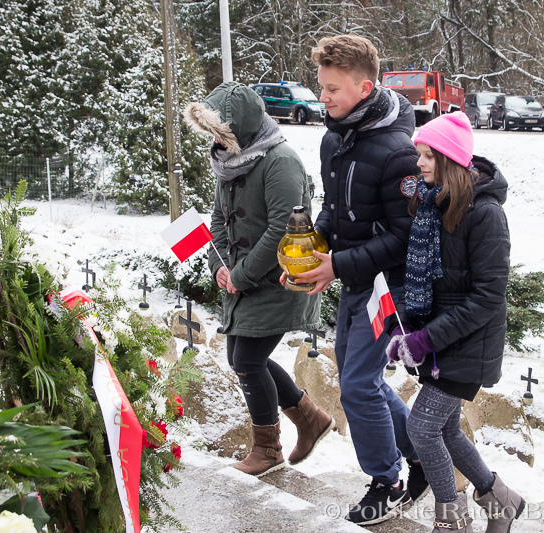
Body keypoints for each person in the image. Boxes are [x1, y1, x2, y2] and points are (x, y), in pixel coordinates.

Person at [291, 35, 429, 525]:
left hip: (388, 290)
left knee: (355, 386)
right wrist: (315, 249)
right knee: (361, 382)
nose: (322, 97)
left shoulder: (398, 152)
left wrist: (338, 265)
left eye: (332, 89)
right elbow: (335, 209)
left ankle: (386, 482)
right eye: (321, 87)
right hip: (354, 282)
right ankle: (423, 458)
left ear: (364, 88)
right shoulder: (334, 138)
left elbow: (404, 238)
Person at [183, 82, 335, 478]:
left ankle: (268, 450)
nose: (216, 141)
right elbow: (219, 220)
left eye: (220, 131)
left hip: (279, 280)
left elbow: (284, 228)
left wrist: (242, 274)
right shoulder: (230, 159)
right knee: (244, 358)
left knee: (247, 360)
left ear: (242, 127)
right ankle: (310, 418)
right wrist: (218, 264)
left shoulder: (280, 161)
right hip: (244, 281)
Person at [386, 111, 524, 532]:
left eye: (428, 156)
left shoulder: (485, 214)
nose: (419, 163)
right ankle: (500, 500)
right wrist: (403, 328)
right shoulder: (430, 205)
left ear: (449, 159)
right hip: (440, 342)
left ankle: (452, 518)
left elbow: (487, 298)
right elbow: (416, 277)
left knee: (422, 427)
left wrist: (426, 339)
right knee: (445, 430)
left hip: (468, 345)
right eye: (419, 154)